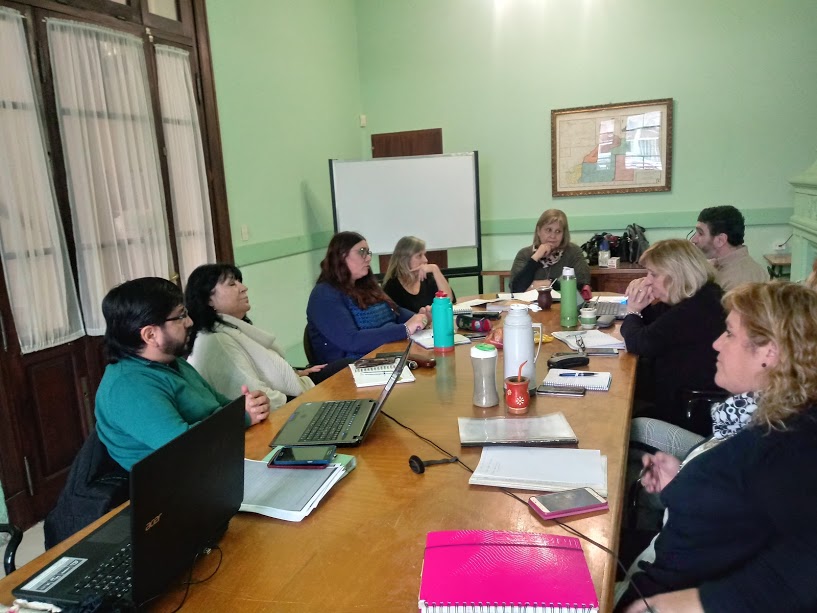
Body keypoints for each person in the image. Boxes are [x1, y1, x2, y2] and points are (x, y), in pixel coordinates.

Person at [617, 282, 817, 613]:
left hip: (655, 589)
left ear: (769, 353)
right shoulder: (771, 417)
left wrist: (698, 602)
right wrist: (683, 484)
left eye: (729, 334)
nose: (716, 343)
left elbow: (801, 559)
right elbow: (743, 515)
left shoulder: (784, 445)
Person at [95, 277, 270, 471]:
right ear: (150, 335)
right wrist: (241, 416)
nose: (189, 322)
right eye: (180, 316)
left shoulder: (170, 361)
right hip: (179, 484)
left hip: (217, 458)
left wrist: (250, 405)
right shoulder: (128, 386)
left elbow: (217, 403)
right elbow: (184, 446)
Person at [185, 264, 349, 411]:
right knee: (348, 375)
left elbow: (261, 371)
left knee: (348, 368)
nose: (243, 288)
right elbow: (257, 395)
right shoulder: (216, 340)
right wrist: (307, 399)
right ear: (208, 300)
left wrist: (297, 373)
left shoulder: (227, 328)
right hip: (281, 408)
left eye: (239, 282)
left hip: (290, 392)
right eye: (232, 284)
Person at [621, 239, 726, 426]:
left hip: (687, 410)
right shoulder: (699, 295)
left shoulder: (697, 308)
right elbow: (654, 325)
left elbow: (640, 342)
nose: (647, 281)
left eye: (653, 274)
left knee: (617, 412)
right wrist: (642, 307)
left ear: (676, 274)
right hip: (674, 393)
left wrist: (633, 311)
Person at [306, 231, 428, 363]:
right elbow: (352, 340)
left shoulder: (366, 286)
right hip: (346, 371)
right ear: (341, 256)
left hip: (386, 356)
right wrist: (404, 329)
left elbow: (395, 313)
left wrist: (422, 318)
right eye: (362, 251)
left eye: (368, 252)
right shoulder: (324, 295)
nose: (368, 257)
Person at [509, 209, 591, 292]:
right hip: (531, 304)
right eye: (548, 230)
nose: (553, 236)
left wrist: (548, 283)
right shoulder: (524, 254)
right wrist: (535, 258)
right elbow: (516, 289)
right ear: (538, 231)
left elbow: (582, 284)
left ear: (563, 234)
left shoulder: (573, 251)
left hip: (564, 303)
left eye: (558, 231)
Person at [690, 205, 769, 291]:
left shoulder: (737, 281)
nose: (693, 239)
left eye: (700, 233)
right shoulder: (723, 266)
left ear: (720, 240)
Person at [382, 236, 454, 312]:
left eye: (424, 255)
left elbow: (448, 300)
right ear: (405, 260)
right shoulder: (392, 287)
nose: (425, 260)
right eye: (419, 256)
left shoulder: (427, 277)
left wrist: (435, 269)